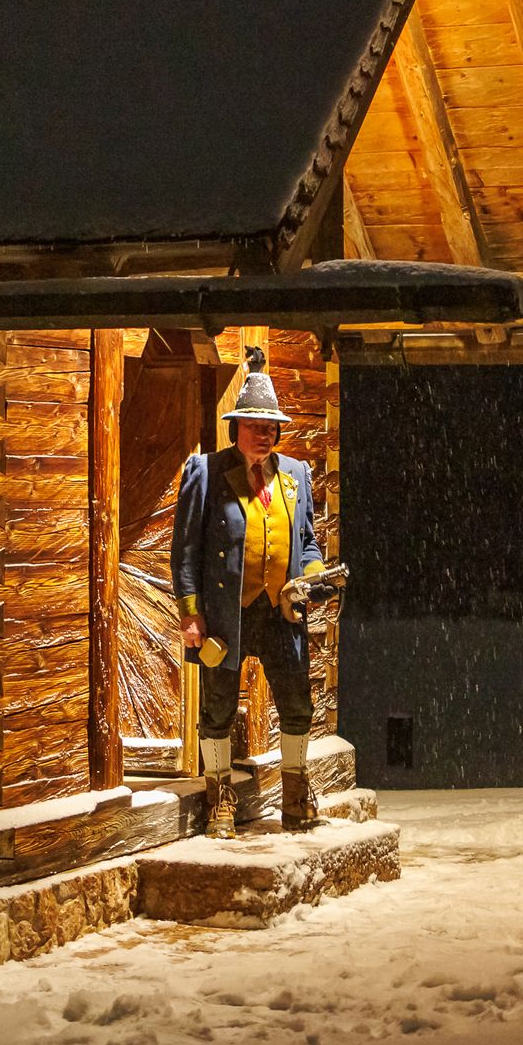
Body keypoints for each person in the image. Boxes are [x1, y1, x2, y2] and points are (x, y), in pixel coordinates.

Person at [170, 348, 328, 838]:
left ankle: (297, 794)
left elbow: (306, 541)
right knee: (217, 706)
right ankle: (219, 797)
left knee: (297, 700)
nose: (264, 434)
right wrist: (192, 614)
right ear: (236, 426)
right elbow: (185, 550)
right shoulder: (206, 472)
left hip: (281, 611)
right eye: (255, 425)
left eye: (270, 427)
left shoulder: (296, 475)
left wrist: (313, 574)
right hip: (225, 614)